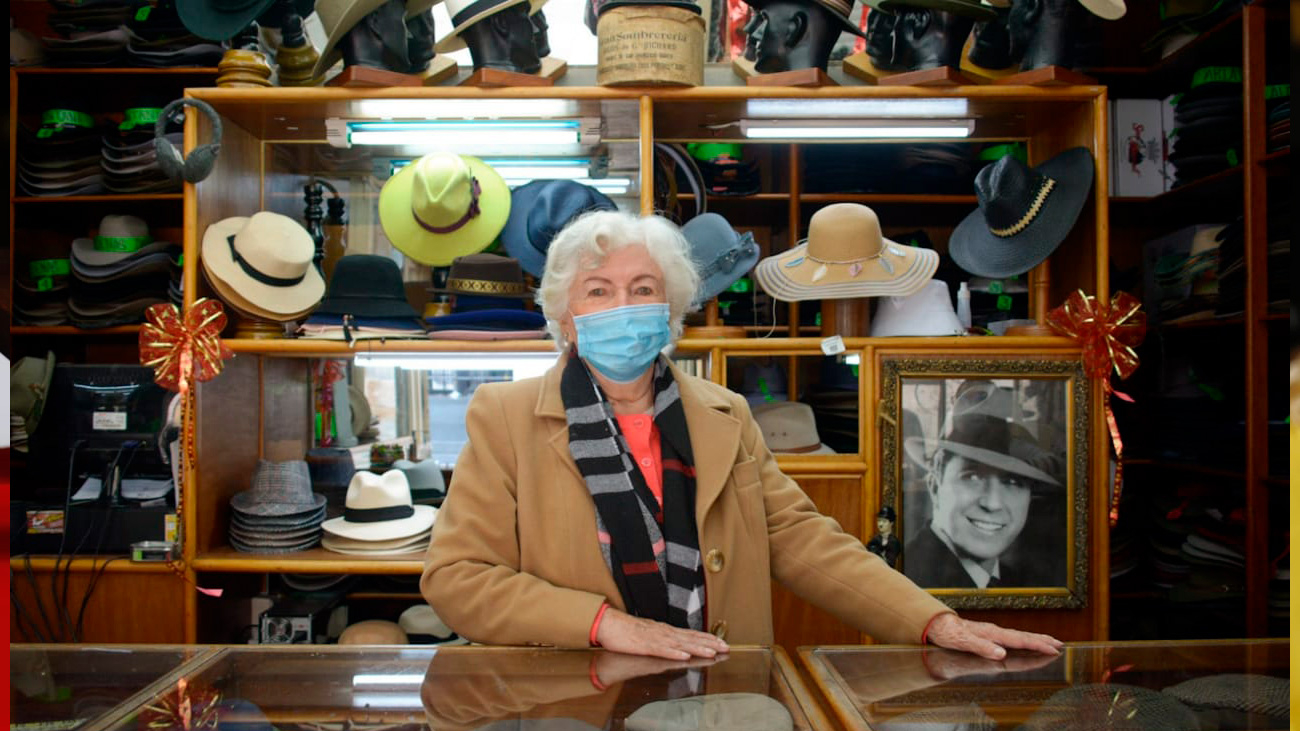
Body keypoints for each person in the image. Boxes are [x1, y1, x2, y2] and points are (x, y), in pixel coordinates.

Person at [421, 210, 1061, 661]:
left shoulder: (723, 413)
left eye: (643, 290)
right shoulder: (504, 416)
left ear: (670, 311)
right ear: (565, 314)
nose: (624, 305)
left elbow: (803, 539)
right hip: (576, 700)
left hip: (721, 690)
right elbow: (457, 577)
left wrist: (933, 622)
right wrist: (601, 624)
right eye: (598, 291)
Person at [903, 406, 1063, 589]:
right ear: (934, 485)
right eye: (972, 477)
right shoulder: (909, 580)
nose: (992, 503)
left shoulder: (1017, 582)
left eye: (1012, 481)